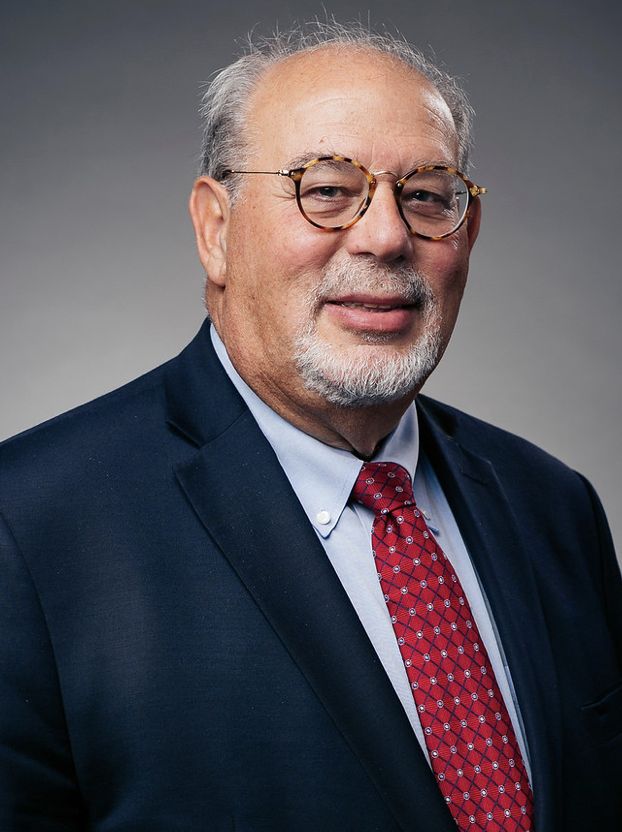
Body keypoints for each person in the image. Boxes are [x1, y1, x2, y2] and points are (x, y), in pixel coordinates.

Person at [1, 20, 621, 832]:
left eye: (426, 194)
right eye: (326, 189)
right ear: (216, 229)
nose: (387, 236)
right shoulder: (27, 528)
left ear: (466, 232)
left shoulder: (556, 508)